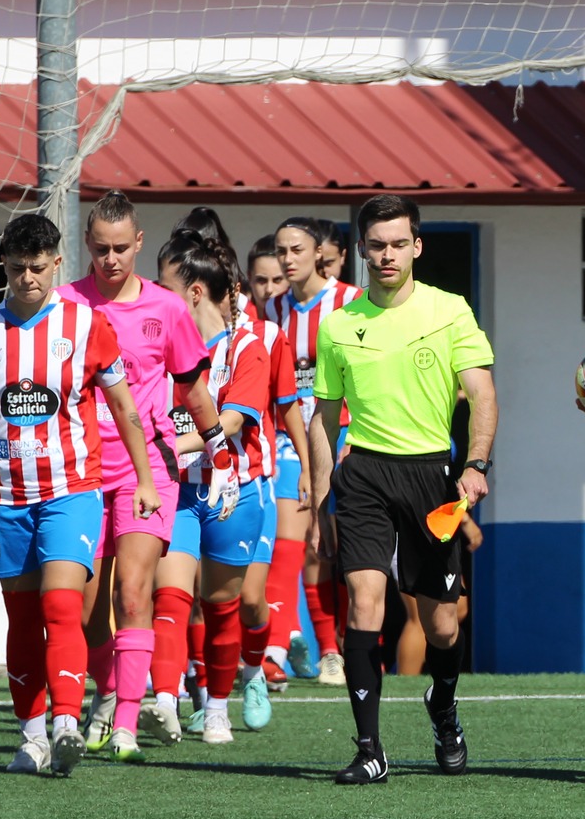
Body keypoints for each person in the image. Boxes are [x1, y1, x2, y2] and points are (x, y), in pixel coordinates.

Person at [0, 212, 159, 776]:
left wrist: (146, 478)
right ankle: (31, 737)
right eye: (16, 267)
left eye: (37, 267)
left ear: (57, 264)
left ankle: (65, 723)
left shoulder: (85, 326)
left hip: (72, 491)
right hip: (5, 499)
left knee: (63, 605)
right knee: (24, 619)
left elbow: (125, 408)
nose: (27, 277)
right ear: (2, 266)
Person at [310, 195, 497, 784]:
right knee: (366, 601)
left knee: (442, 624)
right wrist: (320, 502)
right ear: (360, 249)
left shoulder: (450, 311)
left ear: (416, 246)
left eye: (397, 243)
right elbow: (323, 415)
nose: (386, 254)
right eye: (376, 244)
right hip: (363, 473)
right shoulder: (339, 324)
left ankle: (442, 703)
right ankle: (369, 748)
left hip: (432, 477)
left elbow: (483, 394)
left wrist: (476, 462)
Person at [61, 192, 230, 762]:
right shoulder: (65, 307)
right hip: (79, 470)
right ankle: (109, 691)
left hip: (148, 469)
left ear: (138, 243)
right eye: (101, 248)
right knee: (86, 613)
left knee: (136, 591)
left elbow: (194, 390)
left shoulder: (168, 308)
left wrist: (220, 454)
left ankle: (128, 725)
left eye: (121, 248)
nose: (111, 259)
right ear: (87, 245)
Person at [157, 233, 285, 744]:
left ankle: (224, 700)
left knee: (228, 604)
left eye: (163, 284)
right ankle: (165, 700)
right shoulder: (158, 346)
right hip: (179, 491)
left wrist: (166, 445)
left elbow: (231, 421)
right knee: (170, 594)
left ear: (191, 292)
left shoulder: (247, 346)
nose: (150, 292)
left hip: (237, 489)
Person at [268, 216, 362, 688]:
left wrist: (360, 437)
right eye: (281, 250)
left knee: (336, 546)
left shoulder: (350, 301)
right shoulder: (274, 307)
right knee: (298, 542)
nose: (287, 259)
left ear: (318, 255)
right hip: (292, 440)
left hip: (345, 435)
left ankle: (345, 644)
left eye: (296, 250)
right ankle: (295, 647)